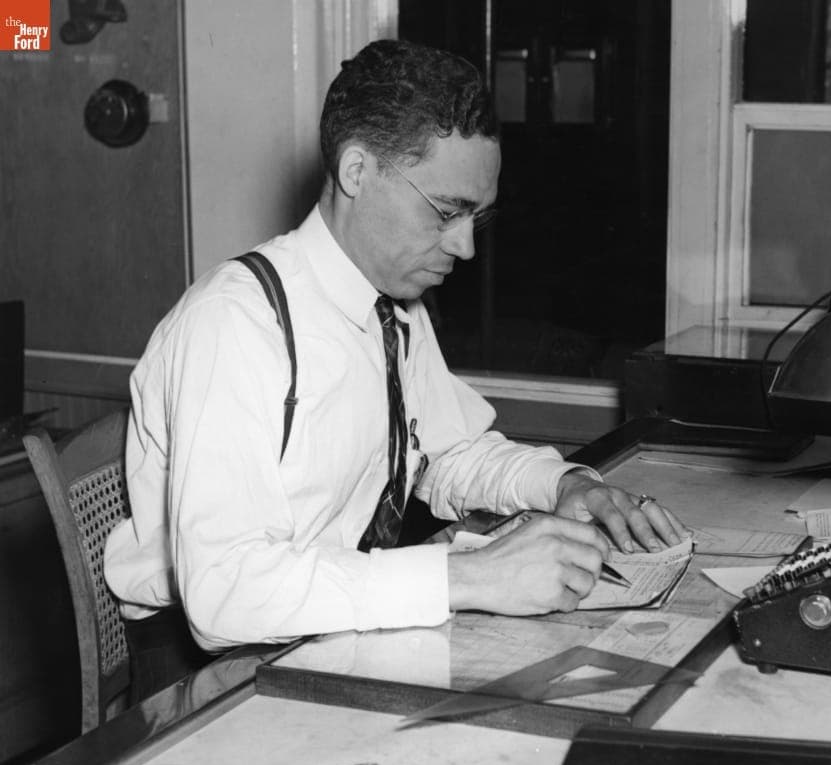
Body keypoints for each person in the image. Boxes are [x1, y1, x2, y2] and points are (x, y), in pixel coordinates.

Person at [104, 38, 687, 699]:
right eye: (445, 212)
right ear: (357, 170)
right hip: (209, 678)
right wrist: (471, 577)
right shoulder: (235, 324)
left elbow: (449, 451)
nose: (465, 246)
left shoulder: (395, 306)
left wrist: (563, 485)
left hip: (328, 636)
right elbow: (226, 593)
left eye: (476, 217)